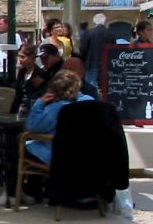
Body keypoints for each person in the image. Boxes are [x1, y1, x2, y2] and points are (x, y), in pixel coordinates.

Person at [9, 69, 94, 205]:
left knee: (20, 142)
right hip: (86, 156)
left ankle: (13, 193)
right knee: (35, 145)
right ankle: (31, 190)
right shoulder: (90, 103)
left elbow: (32, 126)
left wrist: (39, 103)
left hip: (59, 156)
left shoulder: (57, 108)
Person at [80, 13, 112, 89]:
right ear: (104, 21)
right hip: (106, 65)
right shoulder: (110, 34)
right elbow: (114, 50)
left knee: (90, 88)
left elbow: (83, 49)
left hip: (91, 64)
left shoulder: (88, 33)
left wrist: (82, 61)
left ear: (94, 21)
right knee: (104, 88)